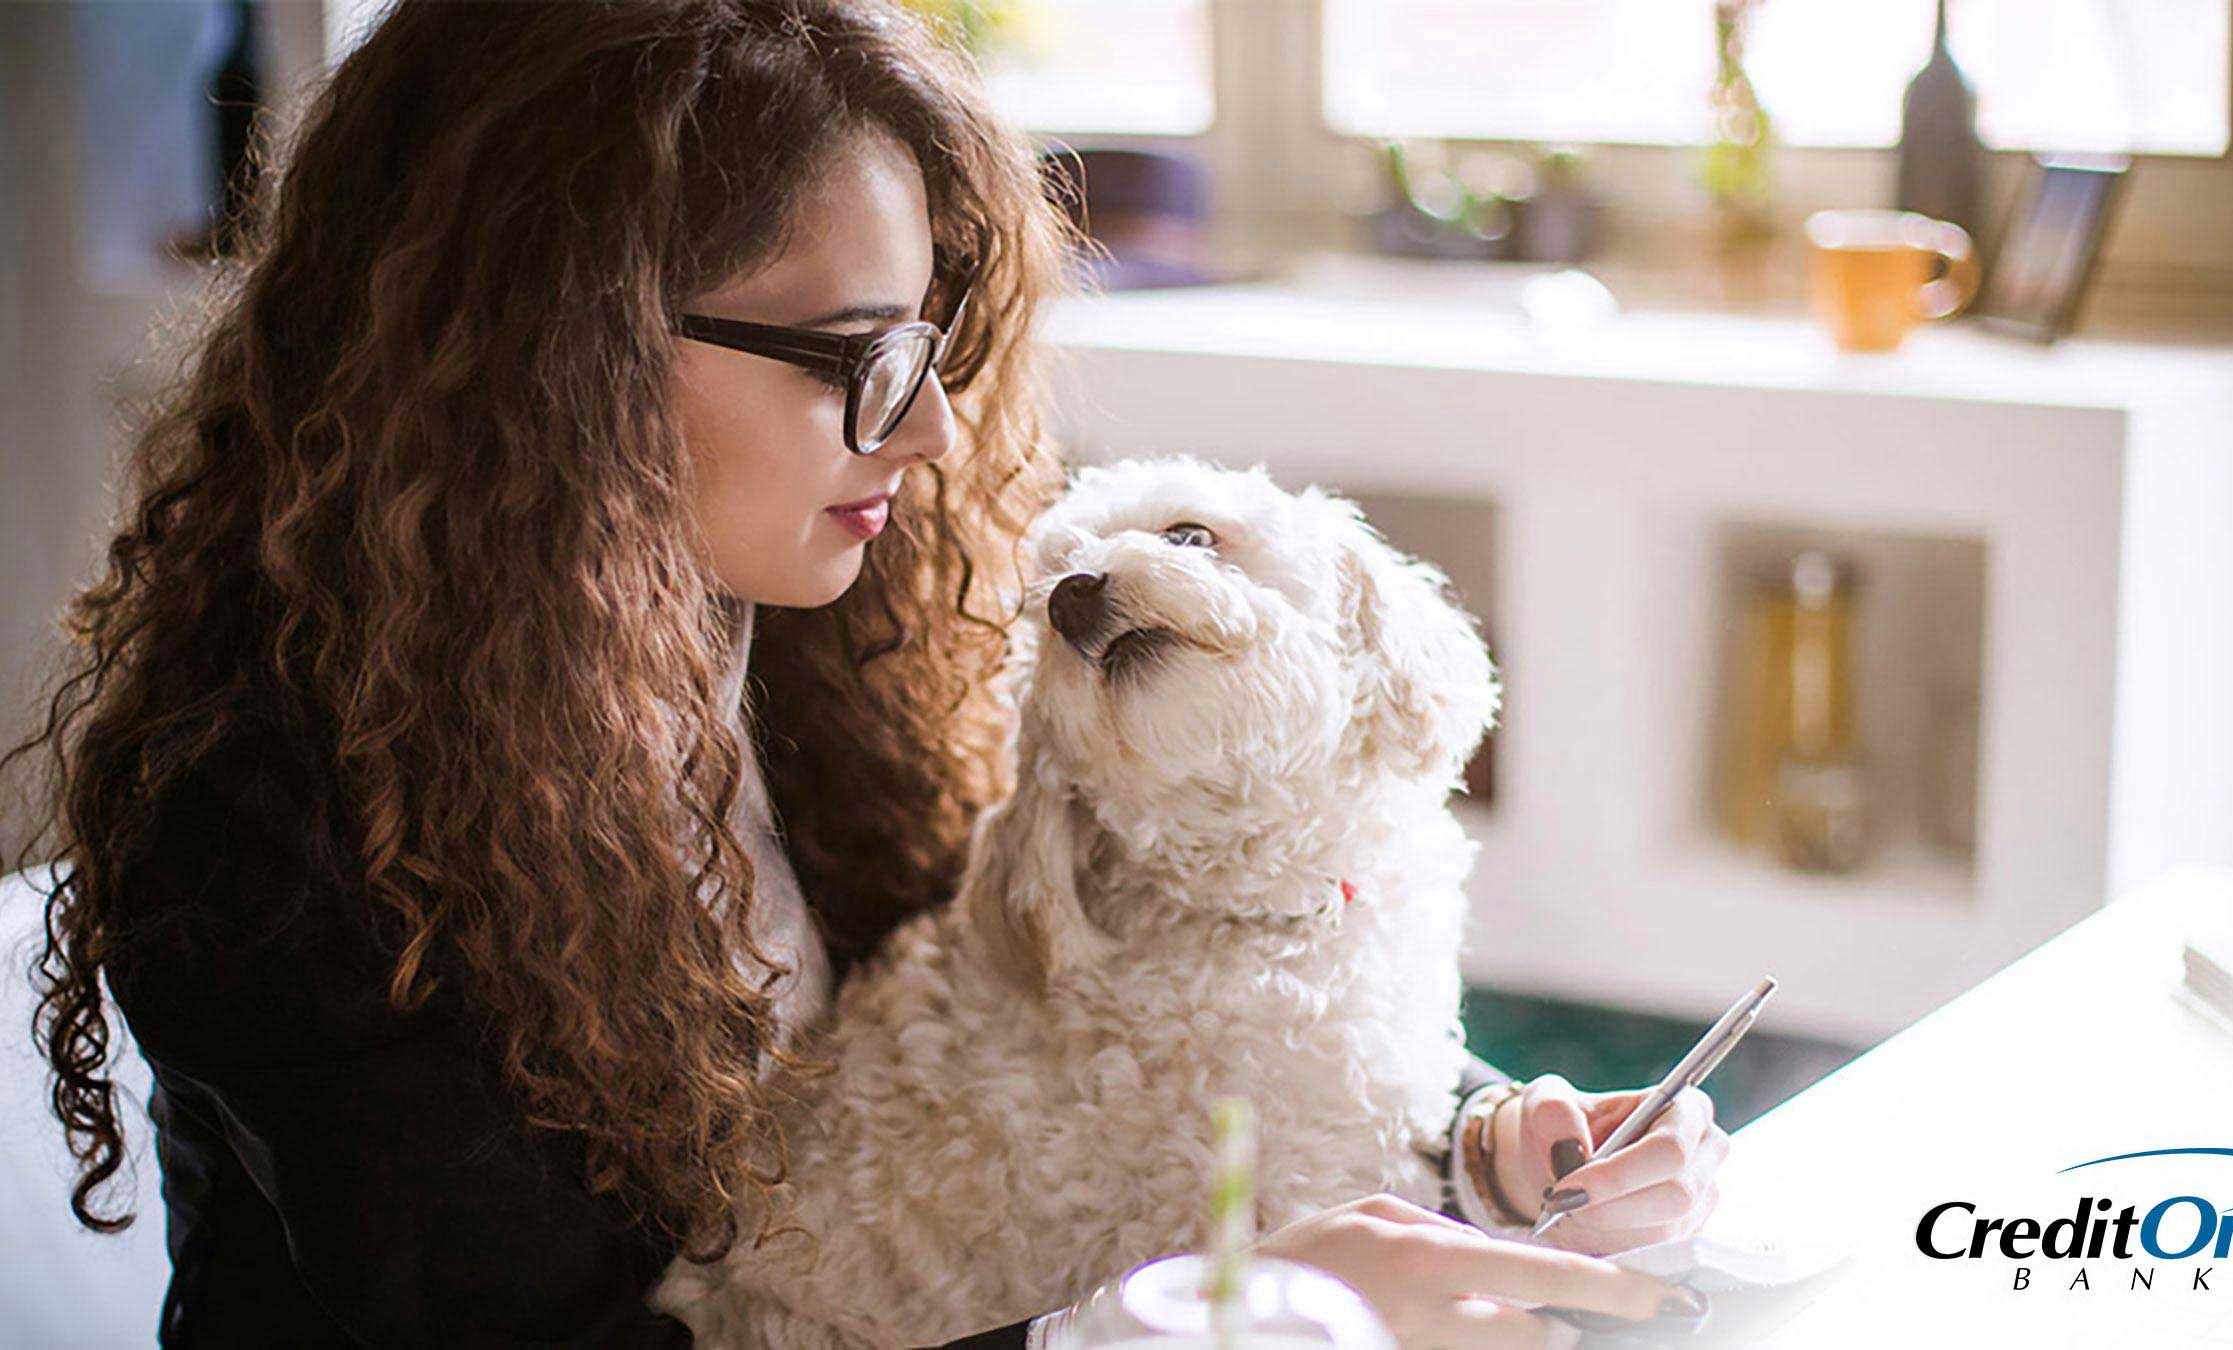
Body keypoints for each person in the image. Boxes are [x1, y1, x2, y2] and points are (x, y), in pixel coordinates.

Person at [7, 2, 1727, 1345]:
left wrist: (1483, 1134)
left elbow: (1114, 995)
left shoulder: (834, 625)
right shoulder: (263, 816)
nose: (934, 425)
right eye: (851, 356)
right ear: (559, 357)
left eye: (927, 340)